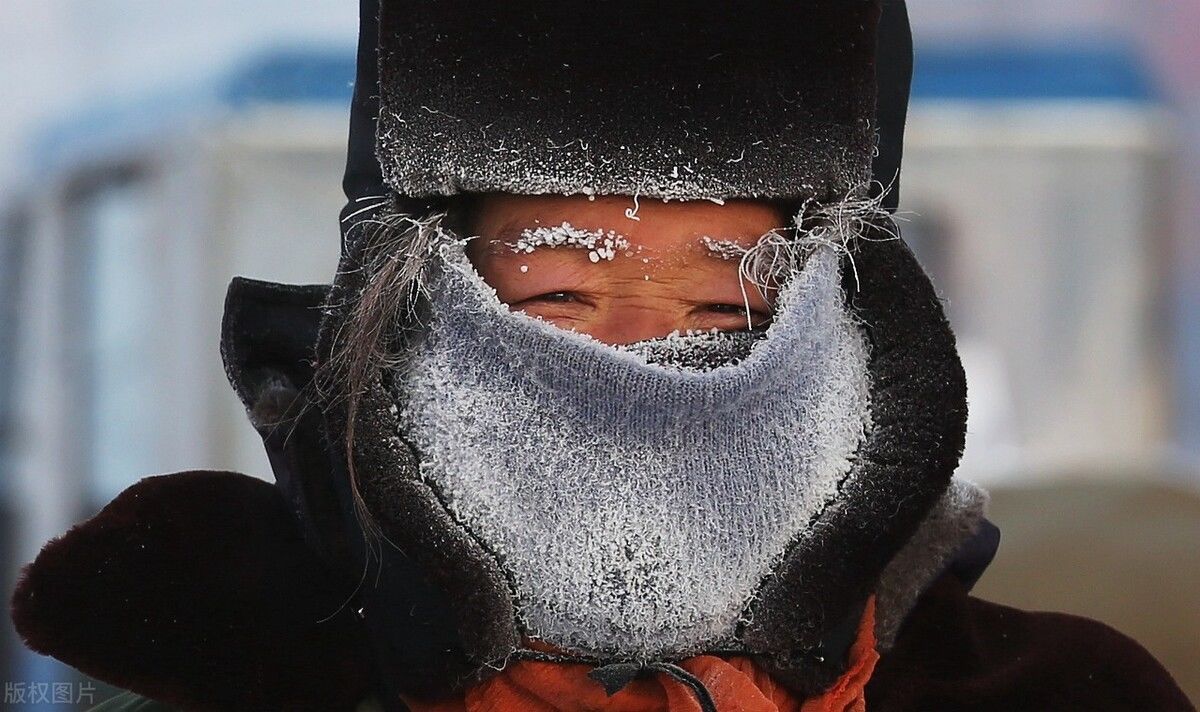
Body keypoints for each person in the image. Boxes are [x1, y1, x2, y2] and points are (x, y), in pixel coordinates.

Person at [10, 1, 1194, 711]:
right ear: (412, 315)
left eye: (720, 314)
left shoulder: (1045, 693)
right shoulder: (202, 658)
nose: (632, 356)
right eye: (564, 292)